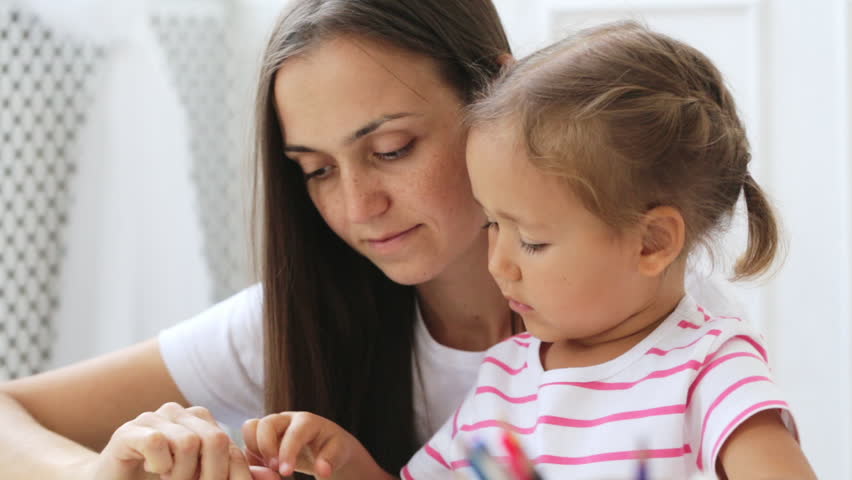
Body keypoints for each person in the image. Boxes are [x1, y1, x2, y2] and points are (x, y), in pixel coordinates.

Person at [0, 2, 737, 479]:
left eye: (390, 149)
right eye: (316, 171)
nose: (358, 207)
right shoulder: (295, 317)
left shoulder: (650, 325)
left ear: (497, 100)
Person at [239, 21, 817, 480]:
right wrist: (344, 465)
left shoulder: (708, 366)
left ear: (652, 241)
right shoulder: (506, 378)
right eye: (493, 226)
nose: (499, 264)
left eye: (533, 241)